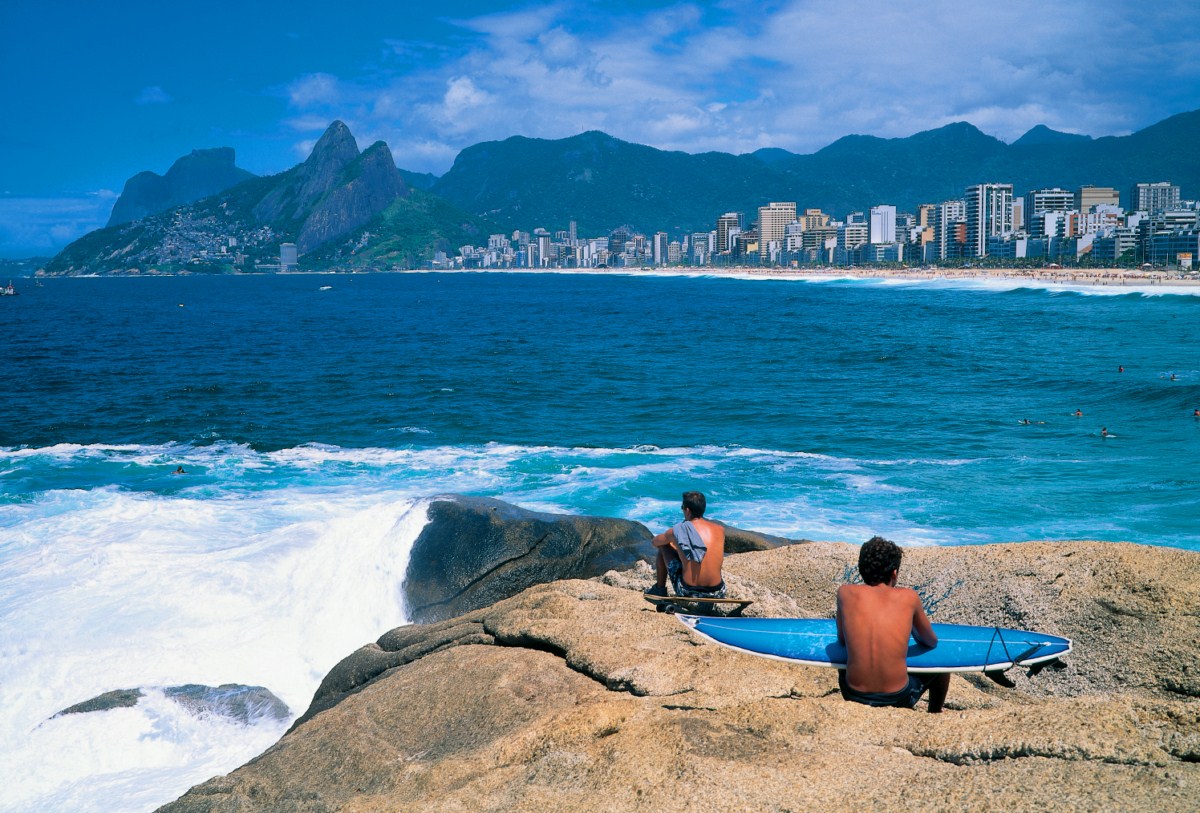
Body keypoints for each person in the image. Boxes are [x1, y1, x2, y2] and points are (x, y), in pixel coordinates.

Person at [835, 536, 949, 713]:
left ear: (862, 569)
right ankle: (934, 713)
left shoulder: (845, 593)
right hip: (898, 697)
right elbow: (930, 641)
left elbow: (842, 640)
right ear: (894, 573)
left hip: (852, 693)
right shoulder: (909, 597)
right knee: (942, 669)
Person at [645, 491, 726, 599]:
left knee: (663, 546)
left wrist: (673, 542)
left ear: (687, 511)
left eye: (682, 507)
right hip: (718, 591)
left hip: (688, 591)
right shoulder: (720, 530)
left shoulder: (679, 530)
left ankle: (660, 589)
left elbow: (655, 542)